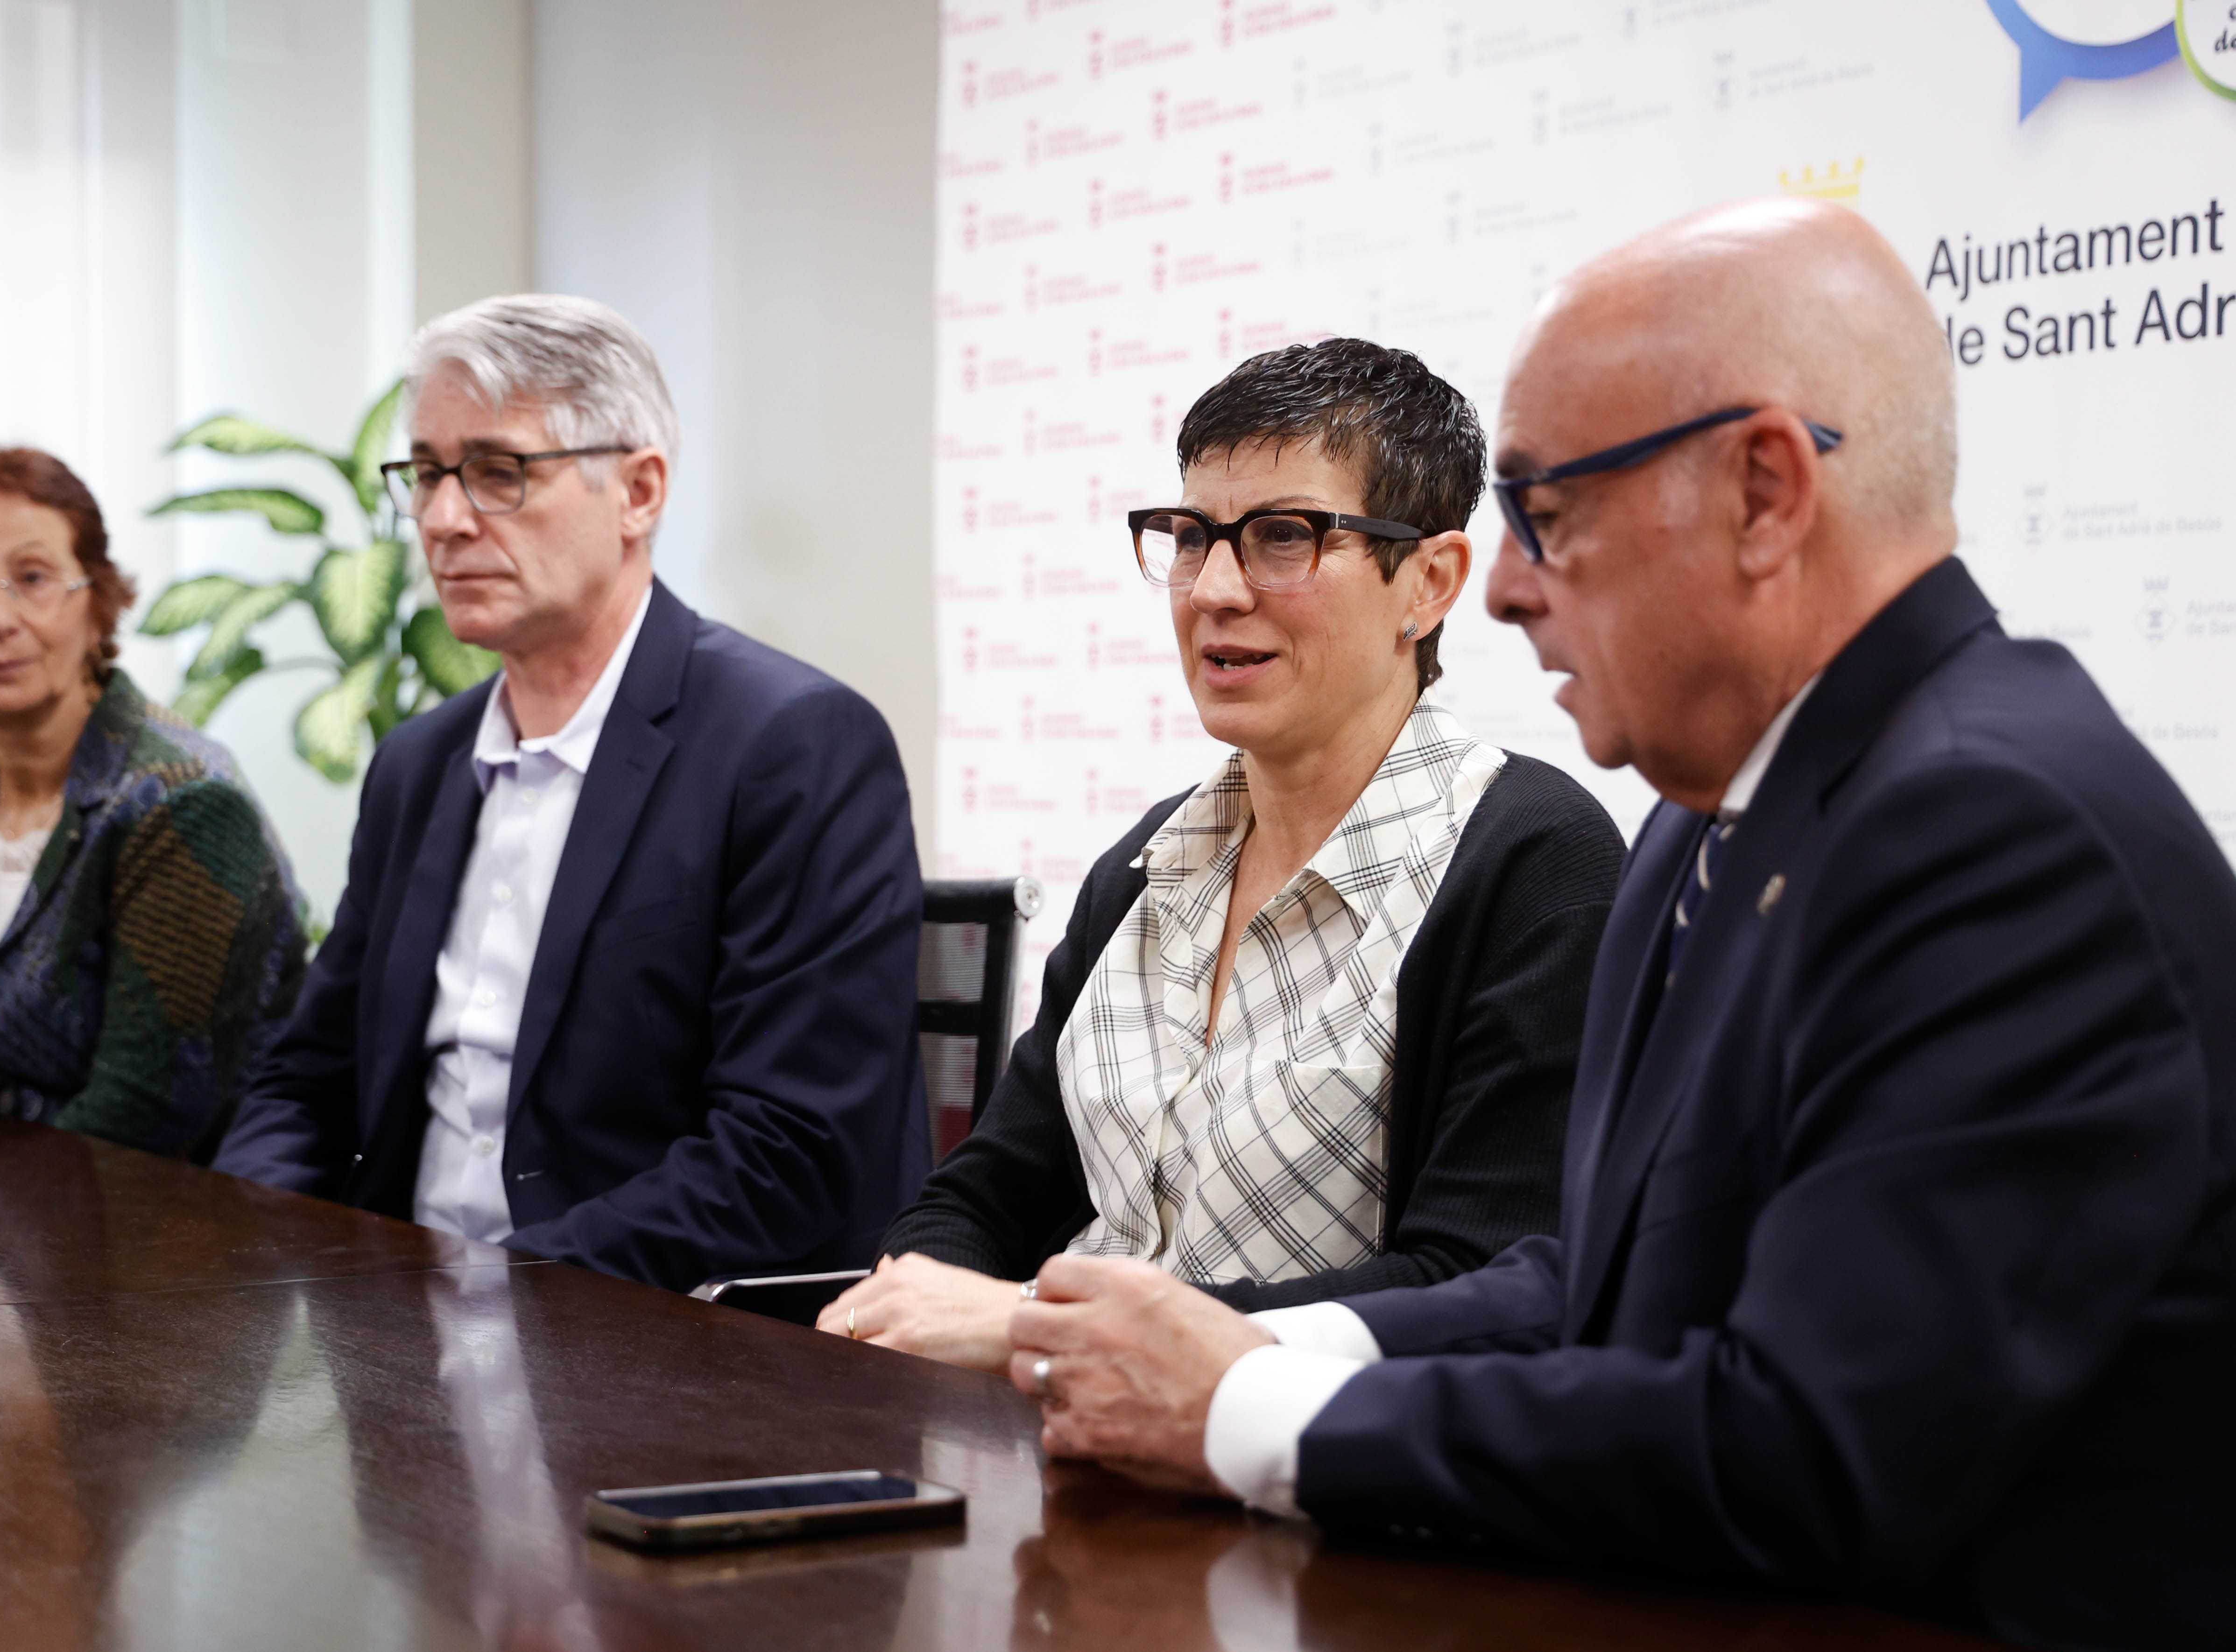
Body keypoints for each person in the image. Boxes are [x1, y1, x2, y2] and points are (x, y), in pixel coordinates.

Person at [1000, 199, 2236, 1650]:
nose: (1503, 586)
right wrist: (1255, 1342)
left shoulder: (1989, 829)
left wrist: (1245, 1410)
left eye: (1548, 511)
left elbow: (1797, 1449)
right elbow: (1599, 1283)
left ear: (1764, 493)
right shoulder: (1704, 819)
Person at [822, 339, 1622, 1371]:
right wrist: (910, 1312)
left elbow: (1481, 1285)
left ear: (1428, 583)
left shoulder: (1533, 861)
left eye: (1284, 537)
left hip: (1306, 1454)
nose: (1215, 589)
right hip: (1048, 1427)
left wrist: (1035, 1326)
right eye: (1193, 538)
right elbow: (980, 1201)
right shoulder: (1144, 868)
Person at [214, 295, 929, 1291]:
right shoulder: (419, 765)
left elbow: (787, 1152)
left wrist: (481, 1291)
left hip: (650, 1329)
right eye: (426, 474)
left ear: (638, 492)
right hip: (403, 1323)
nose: (443, 520)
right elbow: (311, 1080)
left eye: (498, 472)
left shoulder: (792, 747)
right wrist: (245, 1241)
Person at [0, 444, 308, 1160]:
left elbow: (144, 1122)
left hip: (165, 1223)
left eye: (33, 578)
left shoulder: (185, 806)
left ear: (96, 599)